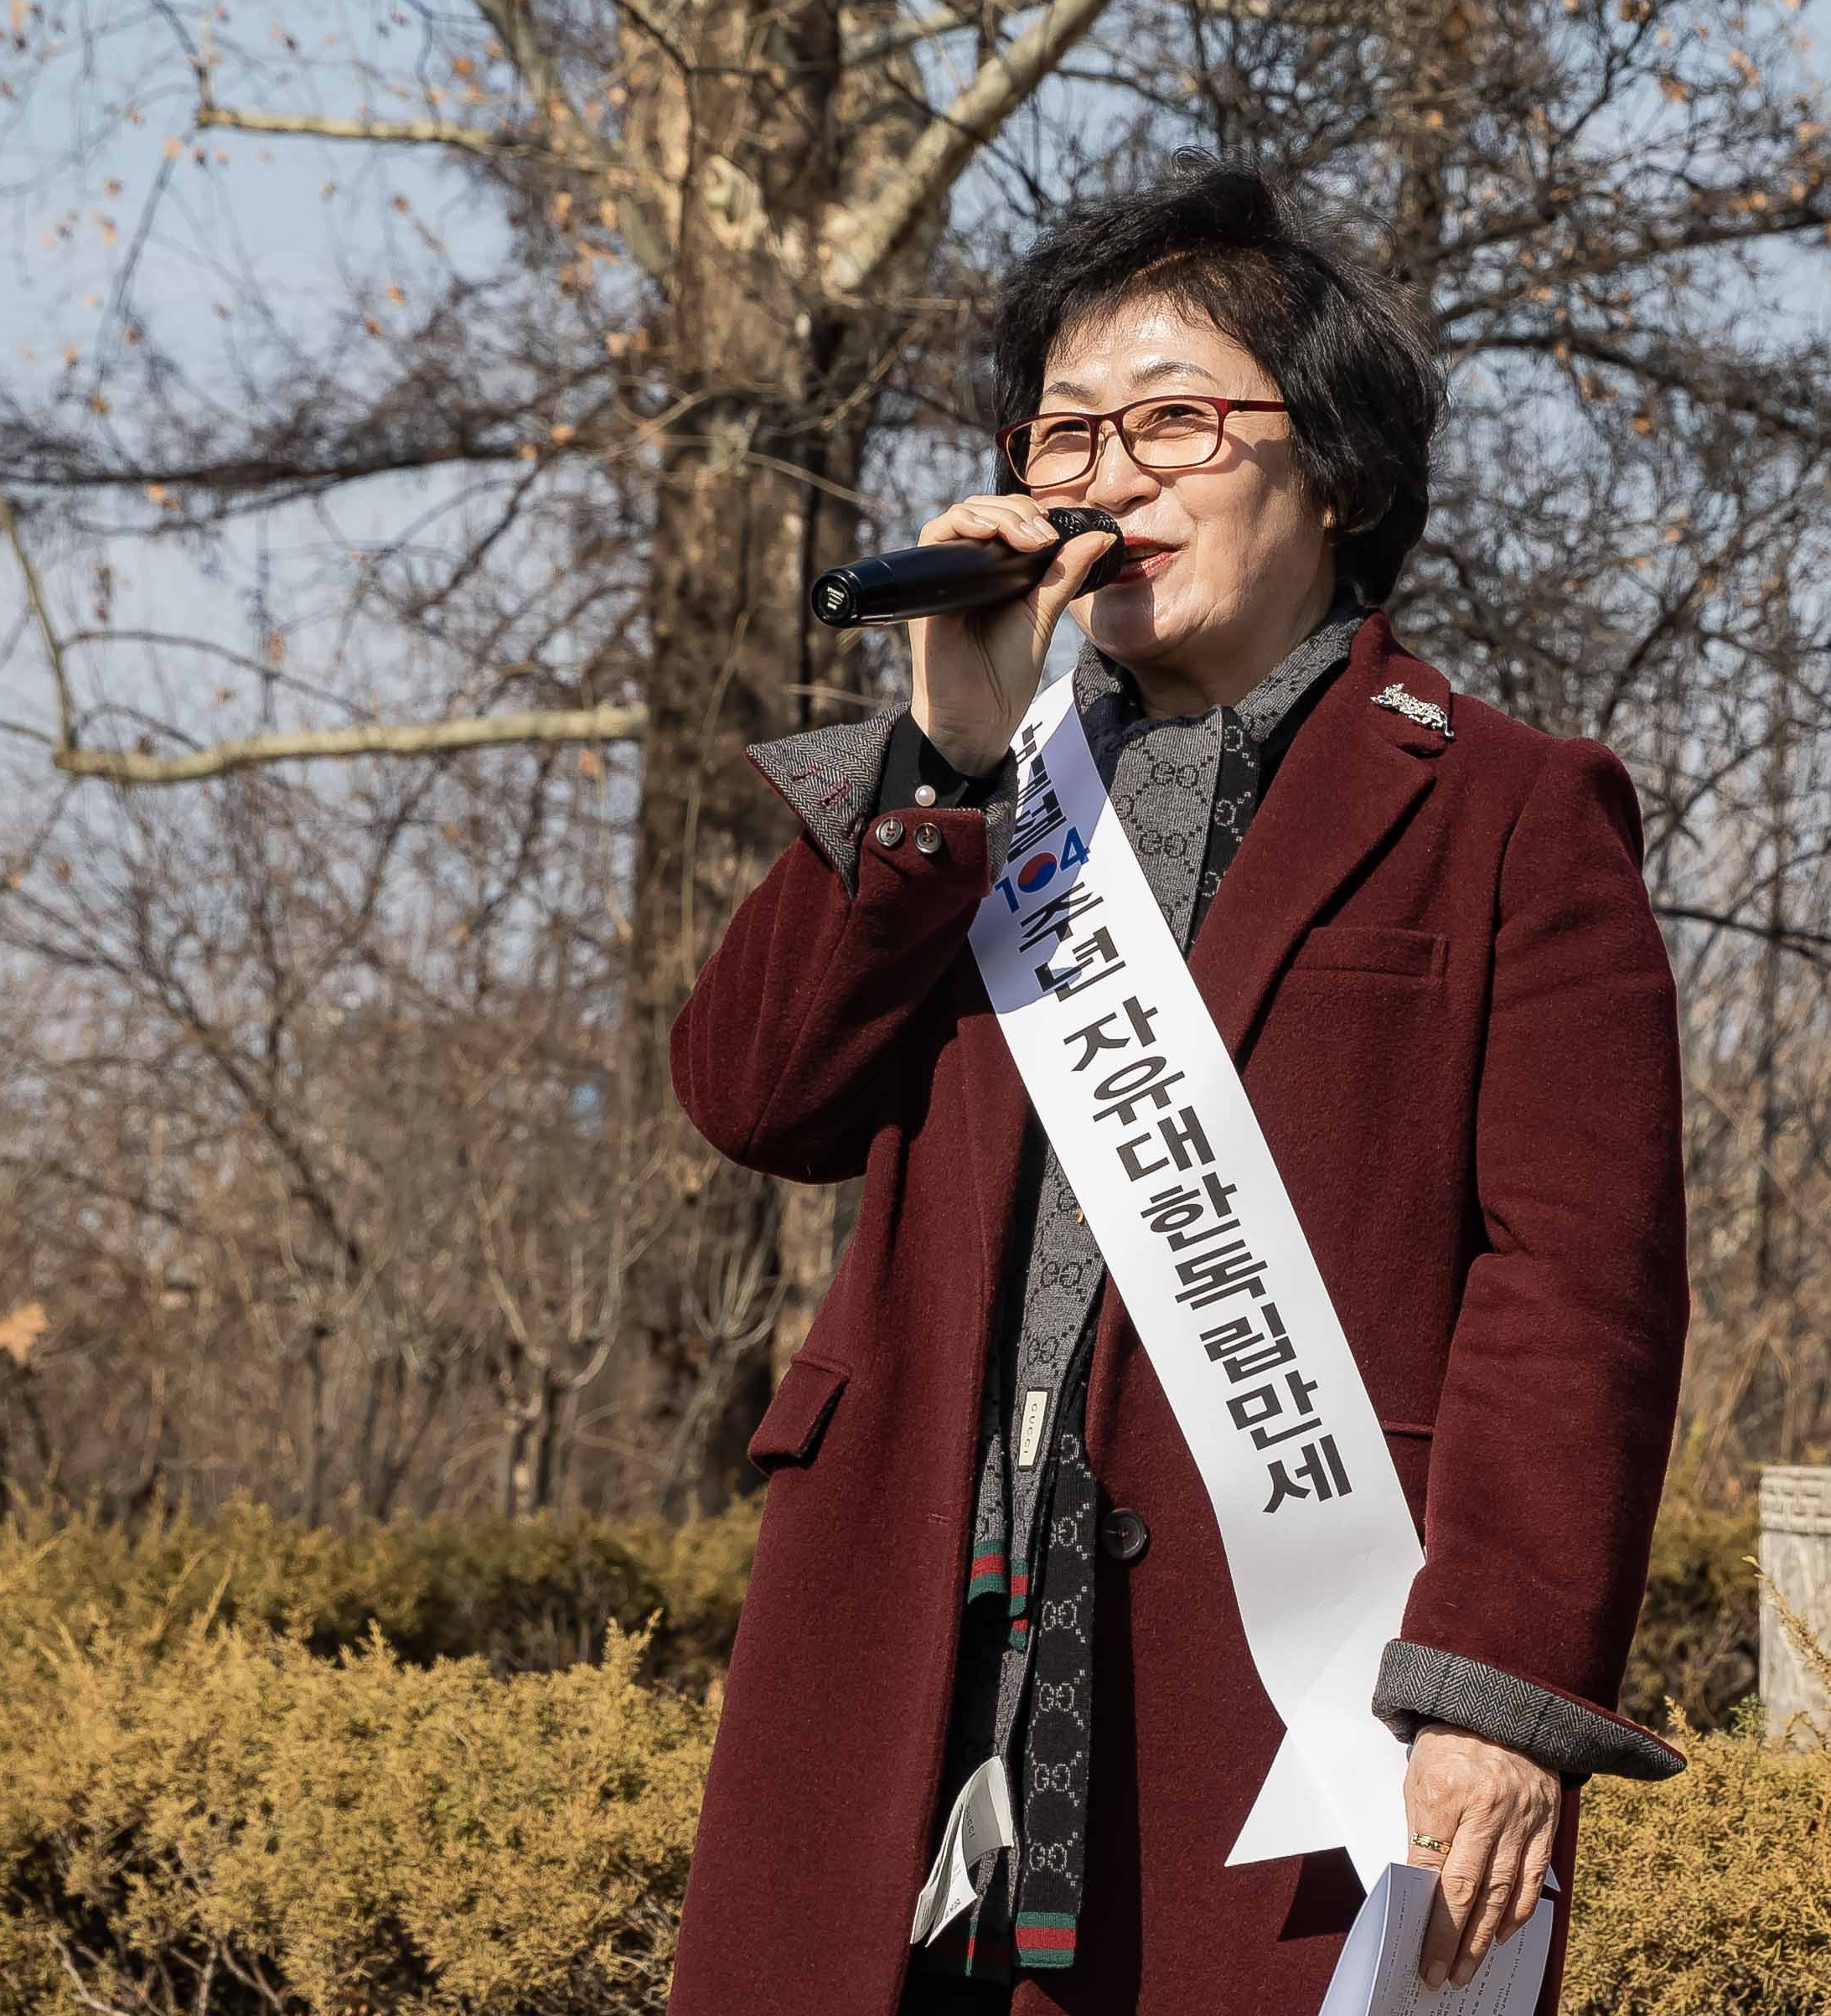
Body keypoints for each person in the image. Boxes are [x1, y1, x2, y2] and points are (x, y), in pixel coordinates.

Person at [665, 168, 1689, 2016]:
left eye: (1175, 421)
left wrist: (1498, 1694)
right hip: (907, 1634)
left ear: (1342, 473)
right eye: (1065, 432)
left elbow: (1580, 1288)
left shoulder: (1506, 810)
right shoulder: (963, 790)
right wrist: (944, 760)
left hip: (1271, 1685)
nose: (1108, 477)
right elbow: (750, 1097)